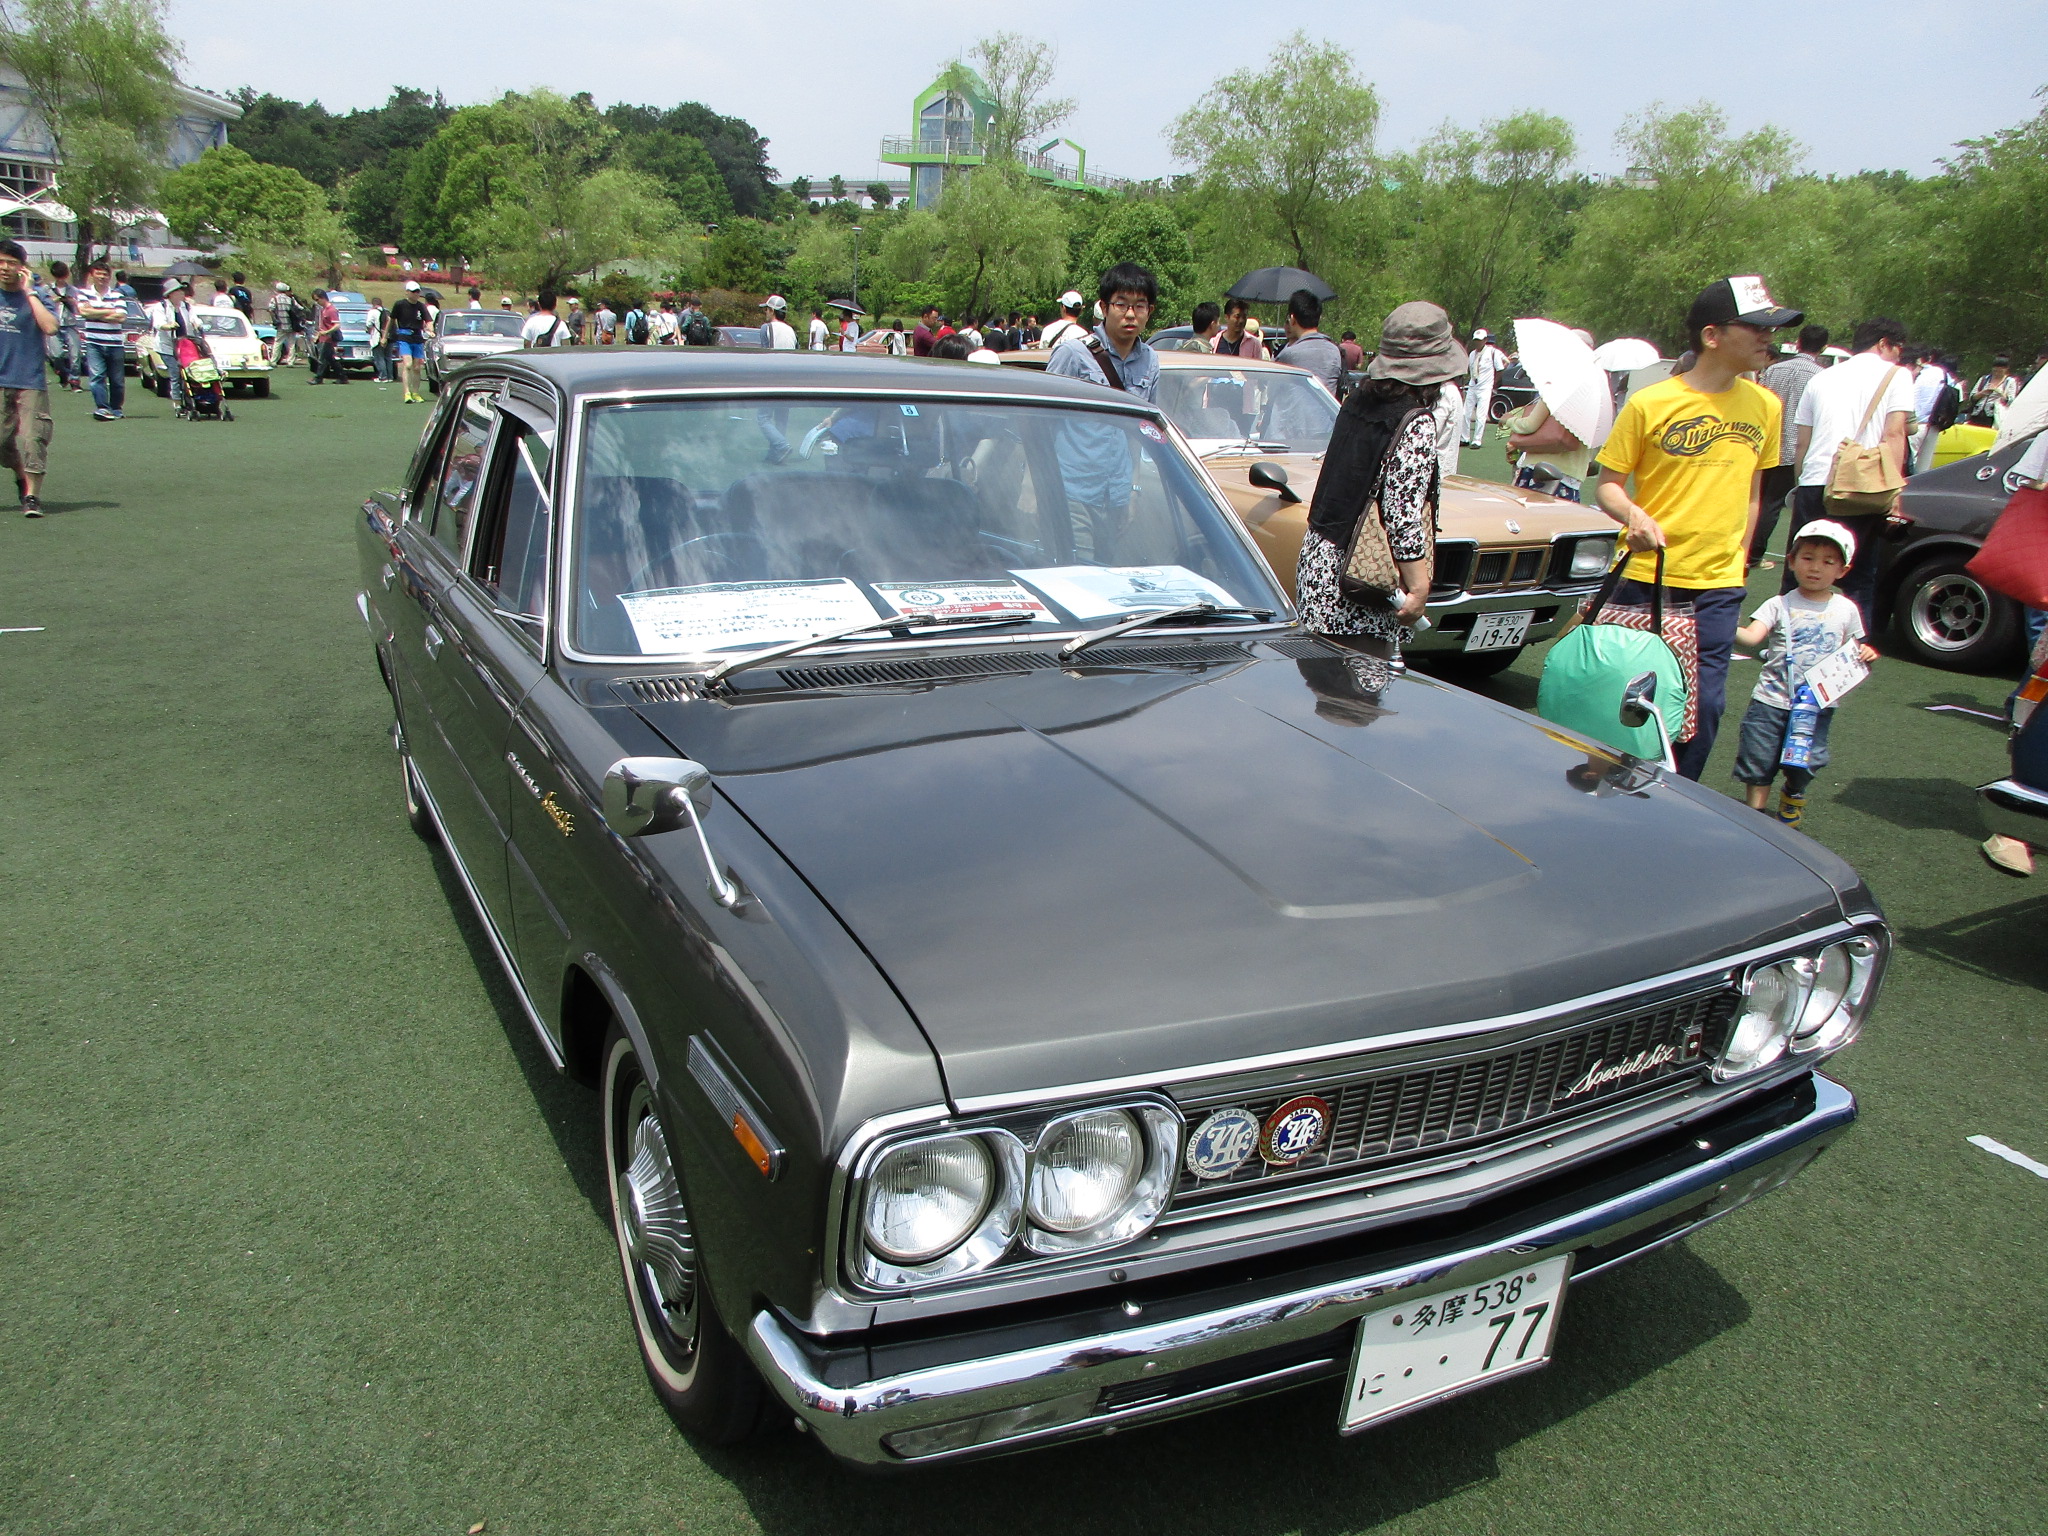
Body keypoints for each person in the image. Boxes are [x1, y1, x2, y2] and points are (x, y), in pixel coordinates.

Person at [1593, 275, 1802, 781]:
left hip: (1718, 585)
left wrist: (1742, 562)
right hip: (1646, 578)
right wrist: (1635, 516)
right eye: (1755, 327)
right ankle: (1606, 797)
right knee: (1624, 700)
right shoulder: (1651, 403)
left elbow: (1754, 494)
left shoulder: (1766, 406)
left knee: (1703, 712)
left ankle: (1677, 806)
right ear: (1712, 335)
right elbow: (1608, 485)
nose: (1767, 337)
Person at [1296, 300, 1465, 695]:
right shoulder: (1414, 421)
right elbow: (1401, 513)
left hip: (1321, 562)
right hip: (1363, 580)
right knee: (1357, 702)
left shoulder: (1357, 400)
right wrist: (1419, 587)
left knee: (1323, 695)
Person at [1731, 521, 1878, 827]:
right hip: (1771, 699)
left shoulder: (1846, 609)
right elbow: (1751, 637)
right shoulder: (1778, 604)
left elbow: (1855, 650)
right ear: (1792, 561)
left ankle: (1794, 792)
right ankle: (1755, 816)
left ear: (1842, 570)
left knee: (1807, 761)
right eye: (1808, 558)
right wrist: (1724, 625)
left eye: (1828, 562)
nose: (1816, 568)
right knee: (1759, 757)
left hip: (1817, 705)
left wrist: (1868, 654)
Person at [1784, 317, 1915, 631]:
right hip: (1862, 485)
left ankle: (1785, 639)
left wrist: (1802, 483)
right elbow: (1895, 435)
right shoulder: (1897, 376)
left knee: (1801, 564)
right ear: (1884, 343)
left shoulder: (1822, 377)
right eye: (1898, 348)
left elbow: (1802, 441)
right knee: (1858, 570)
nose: (1899, 356)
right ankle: (1854, 646)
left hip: (1816, 480)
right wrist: (1896, 492)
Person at [1046, 262, 1164, 557]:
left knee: (1109, 575)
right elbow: (1041, 423)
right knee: (1080, 574)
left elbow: (1140, 434)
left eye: (1140, 306)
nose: (1130, 314)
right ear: (1103, 307)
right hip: (1072, 491)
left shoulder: (1150, 361)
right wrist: (1033, 487)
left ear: (1149, 311)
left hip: (1117, 495)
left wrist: (1133, 492)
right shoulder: (1073, 354)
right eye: (1121, 304)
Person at [1752, 324, 1829, 567]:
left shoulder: (1774, 370)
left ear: (1798, 342)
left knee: (1754, 499)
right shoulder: (1821, 375)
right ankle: (1754, 554)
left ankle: (1742, 550)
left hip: (1764, 442)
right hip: (1795, 448)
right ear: (1824, 347)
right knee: (1773, 504)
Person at [0, 238, 57, 515]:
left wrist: (30, 293)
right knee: (1, 443)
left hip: (29, 380)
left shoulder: (36, 296)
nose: (5, 268)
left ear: (22, 268)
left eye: (11, 263)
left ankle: (32, 496)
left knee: (33, 439)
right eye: (0, 262)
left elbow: (50, 327)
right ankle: (21, 476)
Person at [76, 260, 126, 421]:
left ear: (109, 277)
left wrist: (94, 311)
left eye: (105, 274)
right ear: (92, 275)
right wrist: (108, 311)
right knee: (96, 376)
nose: (102, 277)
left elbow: (121, 316)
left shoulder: (117, 294)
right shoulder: (84, 293)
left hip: (115, 343)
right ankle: (102, 408)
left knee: (117, 379)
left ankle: (116, 407)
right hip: (94, 342)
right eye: (99, 274)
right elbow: (83, 312)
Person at [1275, 289, 1343, 395]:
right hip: (1326, 411)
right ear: (1319, 317)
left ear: (1292, 319)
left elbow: (1273, 392)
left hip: (1294, 412)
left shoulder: (1288, 355)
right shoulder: (1334, 351)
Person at [145, 279, 192, 405]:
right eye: (178, 290)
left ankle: (190, 399)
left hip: (185, 346)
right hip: (167, 347)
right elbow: (159, 324)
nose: (182, 293)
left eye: (182, 290)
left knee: (188, 373)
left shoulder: (186, 306)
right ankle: (177, 402)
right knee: (176, 373)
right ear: (170, 294)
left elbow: (194, 319)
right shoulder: (161, 307)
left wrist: (198, 324)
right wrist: (169, 325)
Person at [1460, 328, 1507, 447]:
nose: (1477, 342)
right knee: (1465, 413)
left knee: (1481, 415)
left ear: (1485, 340)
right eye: (1476, 340)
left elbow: (1500, 369)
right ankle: (1464, 437)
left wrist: (1493, 383)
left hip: (1485, 387)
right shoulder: (1472, 354)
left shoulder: (1492, 352)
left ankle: (1477, 440)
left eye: (1480, 340)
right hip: (1473, 386)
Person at [1910, 346, 1952, 473]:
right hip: (1934, 424)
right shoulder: (1945, 375)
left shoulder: (1919, 374)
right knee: (1924, 465)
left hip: (1912, 422)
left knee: (1908, 462)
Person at [390, 279, 430, 403]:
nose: (416, 294)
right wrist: (386, 335)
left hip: (417, 337)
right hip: (404, 335)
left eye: (417, 292)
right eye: (413, 292)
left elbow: (428, 320)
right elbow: (391, 320)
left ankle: (416, 392)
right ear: (407, 292)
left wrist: (430, 329)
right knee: (408, 364)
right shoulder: (400, 304)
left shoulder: (421, 306)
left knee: (417, 367)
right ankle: (407, 392)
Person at [309, 288, 347, 383]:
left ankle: (318, 378)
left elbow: (337, 325)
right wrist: (318, 336)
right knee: (330, 359)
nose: (317, 302)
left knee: (322, 359)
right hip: (323, 337)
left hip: (328, 338)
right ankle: (342, 377)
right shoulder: (324, 310)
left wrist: (327, 332)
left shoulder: (331, 310)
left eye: (317, 300)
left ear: (323, 298)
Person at [1972, 354, 2020, 423]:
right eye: (1995, 371)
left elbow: (2010, 401)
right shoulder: (1984, 379)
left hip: (1995, 415)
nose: (1997, 373)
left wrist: (1999, 392)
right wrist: (1982, 393)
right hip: (1977, 413)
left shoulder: (2010, 381)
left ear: (2006, 369)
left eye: (2000, 371)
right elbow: (1972, 397)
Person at [268, 282, 300, 367]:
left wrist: (275, 320)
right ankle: (290, 362)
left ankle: (273, 361)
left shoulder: (274, 299)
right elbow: (299, 308)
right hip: (291, 324)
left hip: (281, 324)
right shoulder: (290, 299)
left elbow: (271, 309)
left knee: (278, 342)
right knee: (291, 343)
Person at [363, 294, 390, 382]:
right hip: (388, 337)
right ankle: (390, 376)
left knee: (379, 358)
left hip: (377, 337)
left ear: (373, 304)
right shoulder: (386, 312)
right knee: (387, 357)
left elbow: (369, 324)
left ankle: (383, 376)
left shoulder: (373, 312)